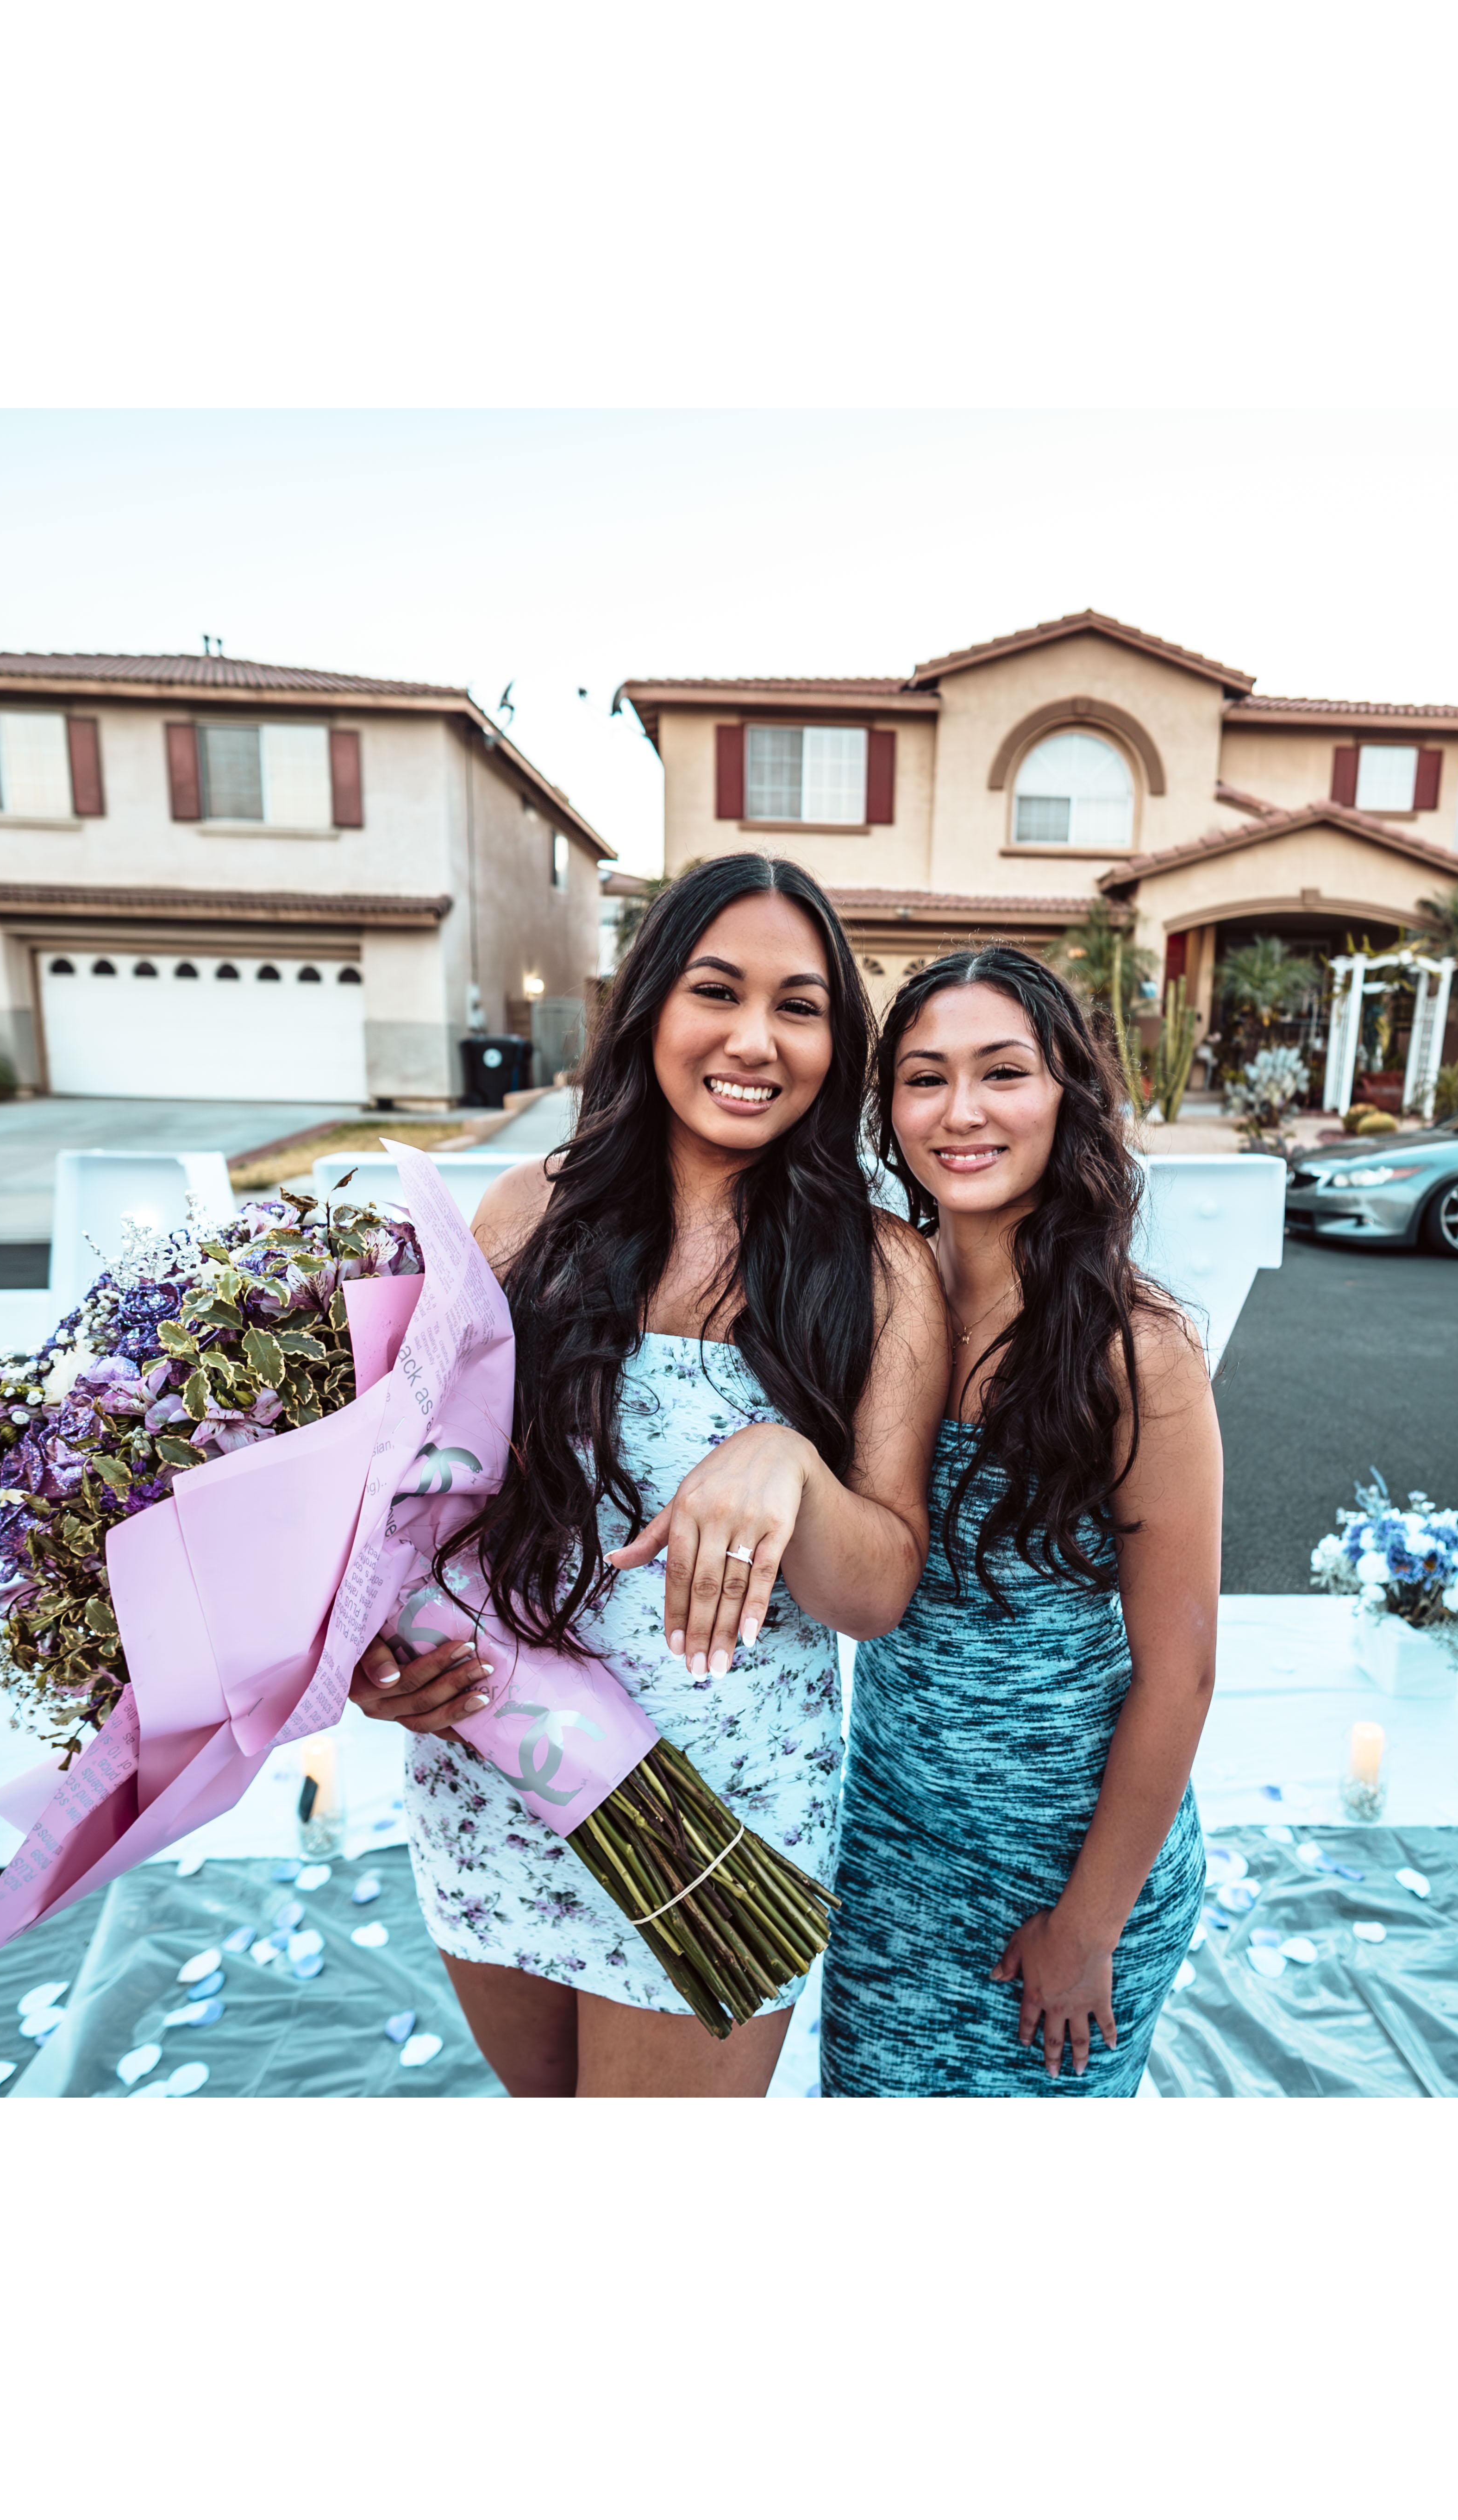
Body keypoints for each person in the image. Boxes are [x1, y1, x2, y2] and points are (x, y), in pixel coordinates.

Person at [350, 855, 944, 2097]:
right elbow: (412, 1504)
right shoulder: (524, 1212)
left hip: (711, 1823)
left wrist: (790, 1462)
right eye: (715, 991)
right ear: (650, 1006)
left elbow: (878, 1590)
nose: (754, 1040)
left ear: (838, 1041)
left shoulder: (878, 1266)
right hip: (494, 1782)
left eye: (798, 1007)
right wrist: (373, 1663)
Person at [820, 944, 1216, 2096]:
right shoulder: (862, 1303)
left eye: (1003, 1072)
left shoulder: (1134, 1350)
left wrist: (1088, 1927)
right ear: (889, 1112)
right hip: (894, 1847)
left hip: (1077, 1867)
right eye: (925, 1078)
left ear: (1065, 1094)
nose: (963, 1112)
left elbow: (1182, 1674)